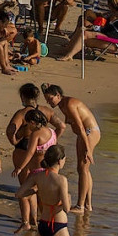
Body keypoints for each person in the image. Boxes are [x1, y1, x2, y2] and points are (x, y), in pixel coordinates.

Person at [42, 84, 99, 213]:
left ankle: (80, 206)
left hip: (89, 132)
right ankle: (87, 205)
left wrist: (88, 149)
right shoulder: (62, 104)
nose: (48, 102)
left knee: (82, 168)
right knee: (84, 169)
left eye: (50, 98)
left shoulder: (68, 104)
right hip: (84, 134)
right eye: (46, 99)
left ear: (58, 95)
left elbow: (80, 126)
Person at [12, 108, 57, 232]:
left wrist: (20, 167)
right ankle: (43, 223)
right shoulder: (52, 132)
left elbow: (30, 152)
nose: (28, 127)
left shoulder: (35, 134)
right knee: (42, 199)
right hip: (49, 171)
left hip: (36, 173)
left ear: (32, 122)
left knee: (22, 194)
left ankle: (26, 222)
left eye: (27, 124)